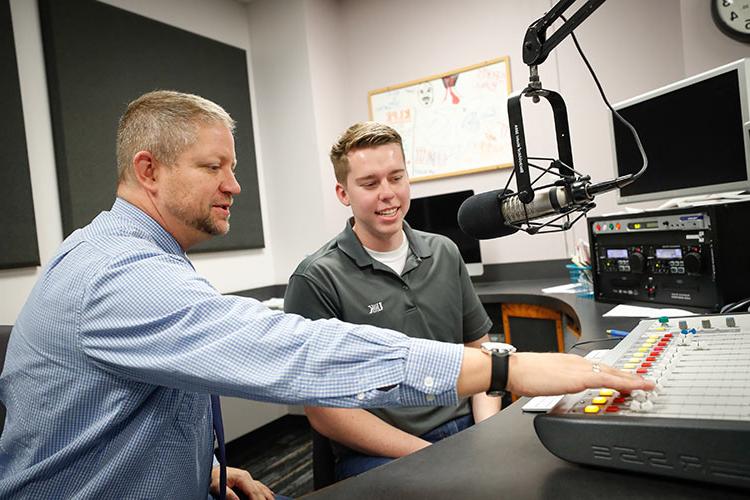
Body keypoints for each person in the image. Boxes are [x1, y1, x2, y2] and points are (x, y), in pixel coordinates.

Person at [0, 92, 651, 500]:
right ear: (149, 170)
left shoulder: (127, 257)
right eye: (213, 167)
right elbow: (305, 353)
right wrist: (509, 366)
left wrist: (200, 473)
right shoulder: (118, 274)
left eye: (235, 167)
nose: (235, 186)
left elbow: (130, 408)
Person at [284, 122, 504, 480]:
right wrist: (435, 456)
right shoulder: (316, 278)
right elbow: (325, 413)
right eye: (370, 184)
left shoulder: (444, 253)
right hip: (384, 449)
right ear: (343, 193)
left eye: (396, 178)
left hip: (468, 426)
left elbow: (482, 353)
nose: (388, 193)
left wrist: (488, 434)